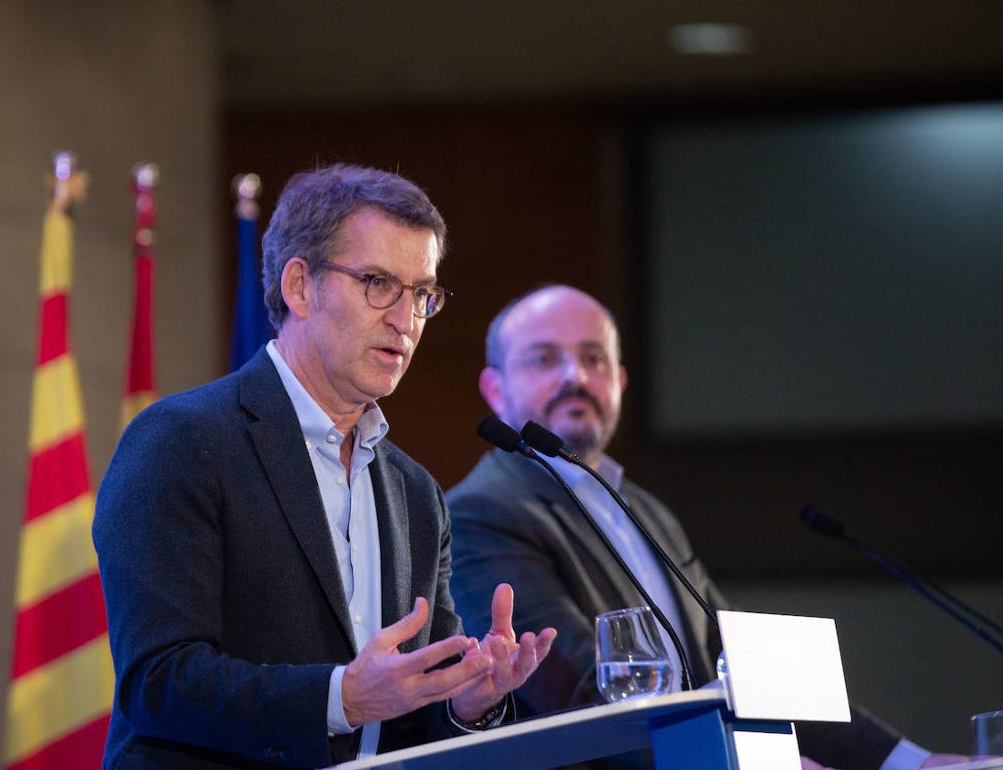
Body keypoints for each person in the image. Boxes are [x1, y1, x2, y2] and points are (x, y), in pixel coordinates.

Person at [93, 164, 556, 770]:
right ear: (300, 287)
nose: (405, 319)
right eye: (377, 282)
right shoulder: (182, 441)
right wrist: (339, 698)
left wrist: (466, 702)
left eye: (422, 293)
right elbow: (158, 679)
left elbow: (415, 707)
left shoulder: (416, 495)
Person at [447, 284, 966, 770]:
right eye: (543, 358)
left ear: (621, 382)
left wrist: (909, 761)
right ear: (495, 388)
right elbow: (578, 696)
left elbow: (753, 670)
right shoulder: (483, 512)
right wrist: (755, 764)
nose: (575, 377)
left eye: (594, 358)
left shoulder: (646, 511)